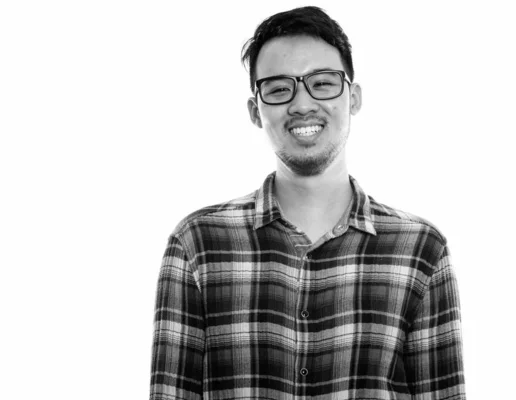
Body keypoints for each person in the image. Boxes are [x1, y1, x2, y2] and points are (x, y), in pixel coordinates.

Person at [150, 6, 466, 400]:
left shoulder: (421, 250)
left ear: (353, 98)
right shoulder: (197, 244)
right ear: (255, 110)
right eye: (280, 88)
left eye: (322, 83)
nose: (302, 104)